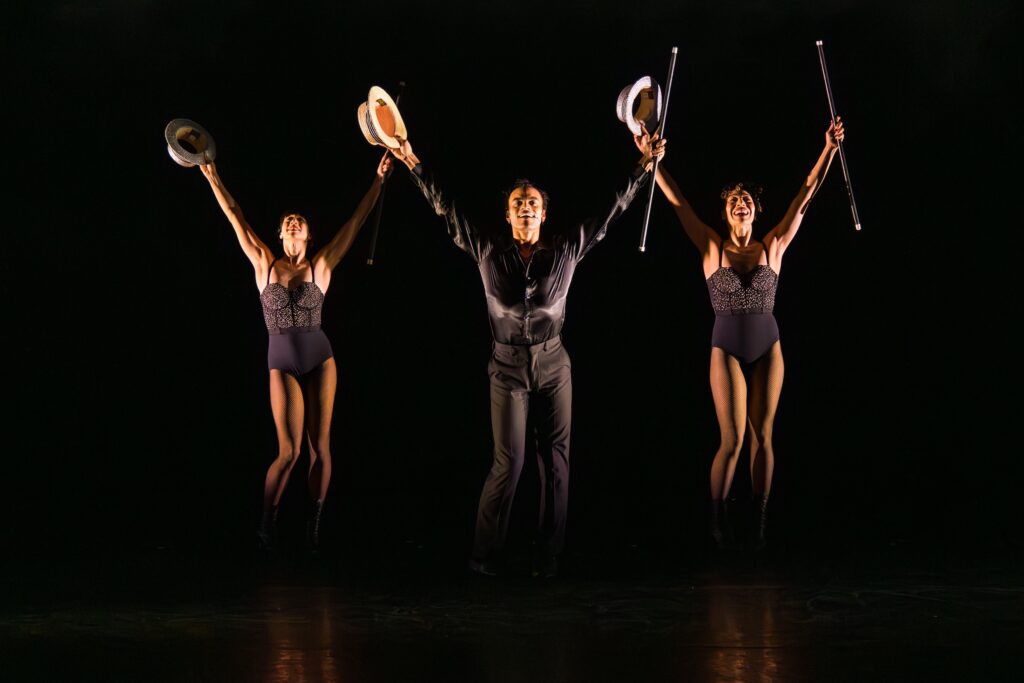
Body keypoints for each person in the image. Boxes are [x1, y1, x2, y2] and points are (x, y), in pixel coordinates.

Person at [389, 131, 665, 577]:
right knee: (509, 461)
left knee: (556, 459)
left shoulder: (568, 248)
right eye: (518, 200)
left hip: (555, 362)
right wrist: (412, 162)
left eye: (532, 200)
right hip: (506, 366)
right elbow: (446, 207)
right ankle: (484, 555)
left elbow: (611, 209)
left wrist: (643, 166)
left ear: (544, 211)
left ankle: (548, 556)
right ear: (508, 213)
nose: (525, 204)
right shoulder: (486, 249)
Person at [652, 119, 845, 549]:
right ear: (725, 212)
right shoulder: (711, 247)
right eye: (733, 200)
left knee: (764, 434)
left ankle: (758, 523)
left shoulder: (773, 246)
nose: (740, 203)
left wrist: (829, 149)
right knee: (733, 439)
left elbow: (804, 196)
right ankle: (717, 522)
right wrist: (653, 164)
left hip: (767, 347)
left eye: (746, 200)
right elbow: (678, 202)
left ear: (755, 211)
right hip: (726, 349)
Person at [197, 153, 391, 550]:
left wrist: (379, 180)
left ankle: (314, 525)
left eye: (299, 221)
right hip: (281, 363)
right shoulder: (263, 263)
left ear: (308, 235)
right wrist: (214, 177)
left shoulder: (322, 264)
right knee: (289, 452)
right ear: (281, 234)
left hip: (321, 360)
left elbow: (356, 222)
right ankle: (266, 524)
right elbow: (235, 216)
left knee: (321, 448)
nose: (293, 222)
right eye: (287, 222)